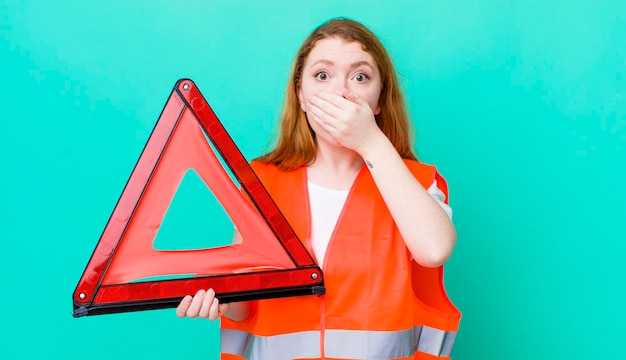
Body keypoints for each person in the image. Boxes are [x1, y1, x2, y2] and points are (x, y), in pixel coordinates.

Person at [176, 18, 461, 359]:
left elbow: (434, 250)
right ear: (301, 95)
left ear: (379, 100)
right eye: (322, 75)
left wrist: (371, 142)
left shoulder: (414, 182)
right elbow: (245, 305)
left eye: (360, 77)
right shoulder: (262, 183)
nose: (341, 92)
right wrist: (218, 298)